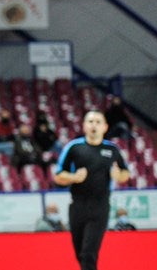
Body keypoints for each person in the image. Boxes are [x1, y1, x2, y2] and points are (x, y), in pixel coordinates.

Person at [54, 110, 131, 270]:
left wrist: (119, 175)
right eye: (90, 121)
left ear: (105, 127)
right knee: (80, 253)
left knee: (89, 253)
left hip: (100, 207)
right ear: (84, 126)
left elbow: (125, 173)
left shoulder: (112, 150)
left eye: (97, 122)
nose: (93, 125)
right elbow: (58, 175)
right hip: (77, 207)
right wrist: (74, 177)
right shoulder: (74, 147)